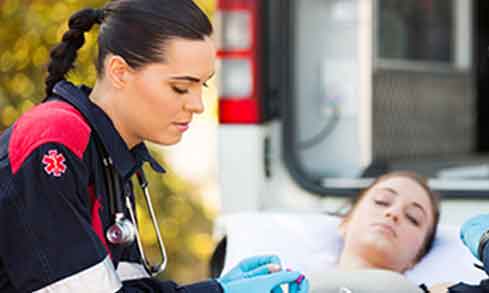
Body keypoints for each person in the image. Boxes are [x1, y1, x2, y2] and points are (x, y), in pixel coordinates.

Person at [0, 1, 309, 292]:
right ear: (120, 72)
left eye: (203, 85)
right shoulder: (53, 141)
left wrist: (218, 287)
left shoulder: (111, 156)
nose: (198, 104)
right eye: (180, 87)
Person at [309, 171, 441, 292]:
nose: (394, 213)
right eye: (381, 201)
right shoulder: (299, 285)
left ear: (417, 257)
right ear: (345, 222)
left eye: (413, 217)